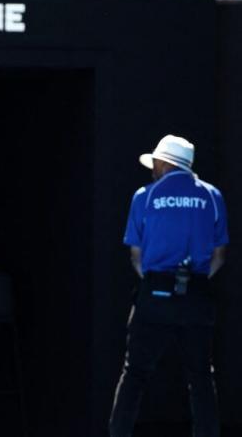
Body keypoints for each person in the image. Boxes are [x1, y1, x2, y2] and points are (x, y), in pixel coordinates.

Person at [109, 134, 228, 437]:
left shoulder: (144, 196)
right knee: (201, 378)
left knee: (134, 375)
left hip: (154, 294)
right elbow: (219, 256)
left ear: (164, 163)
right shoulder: (213, 196)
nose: (152, 169)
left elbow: (136, 257)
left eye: (155, 163)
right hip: (198, 296)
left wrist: (157, 283)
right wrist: (194, 283)